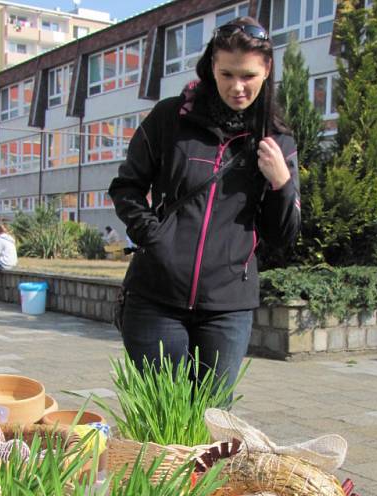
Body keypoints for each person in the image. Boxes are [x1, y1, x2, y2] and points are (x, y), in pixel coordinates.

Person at [109, 17, 301, 391]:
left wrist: (281, 182)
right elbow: (126, 187)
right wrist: (155, 238)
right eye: (227, 73)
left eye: (248, 75)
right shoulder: (170, 118)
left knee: (211, 419)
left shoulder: (278, 139)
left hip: (227, 306)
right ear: (212, 65)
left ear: (267, 69)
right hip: (156, 297)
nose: (237, 86)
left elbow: (282, 235)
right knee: (160, 417)